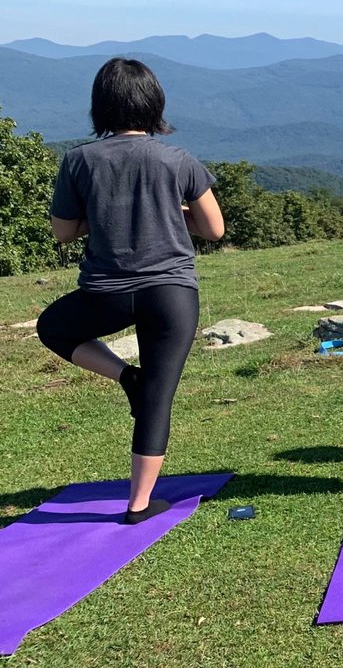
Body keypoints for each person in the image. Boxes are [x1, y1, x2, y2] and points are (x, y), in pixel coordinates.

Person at [37, 58, 225, 523]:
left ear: (101, 106)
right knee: (159, 397)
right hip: (172, 292)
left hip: (106, 292)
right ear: (154, 102)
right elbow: (213, 230)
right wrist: (169, 210)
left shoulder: (79, 159)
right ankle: (139, 504)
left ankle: (126, 377)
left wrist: (102, 215)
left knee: (54, 328)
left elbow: (63, 232)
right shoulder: (180, 160)